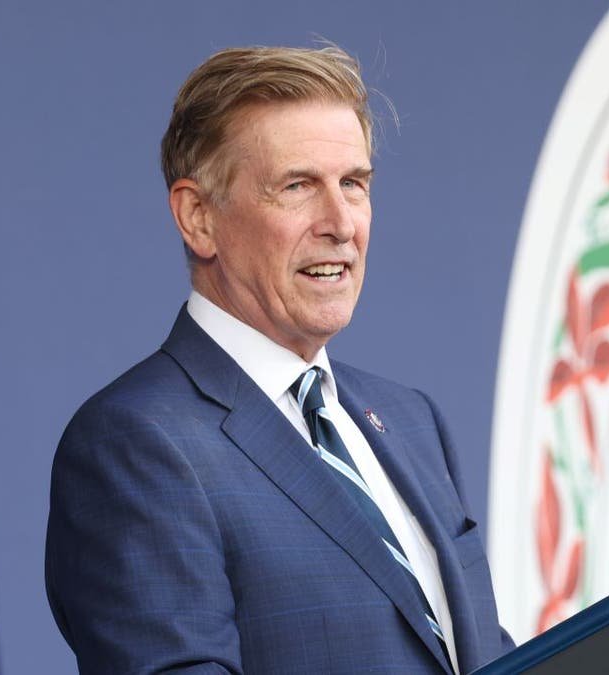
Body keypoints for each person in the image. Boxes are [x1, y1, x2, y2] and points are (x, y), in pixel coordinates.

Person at [45, 45, 513, 674]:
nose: (340, 223)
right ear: (198, 217)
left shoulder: (410, 420)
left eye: (354, 184)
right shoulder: (134, 446)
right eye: (298, 186)